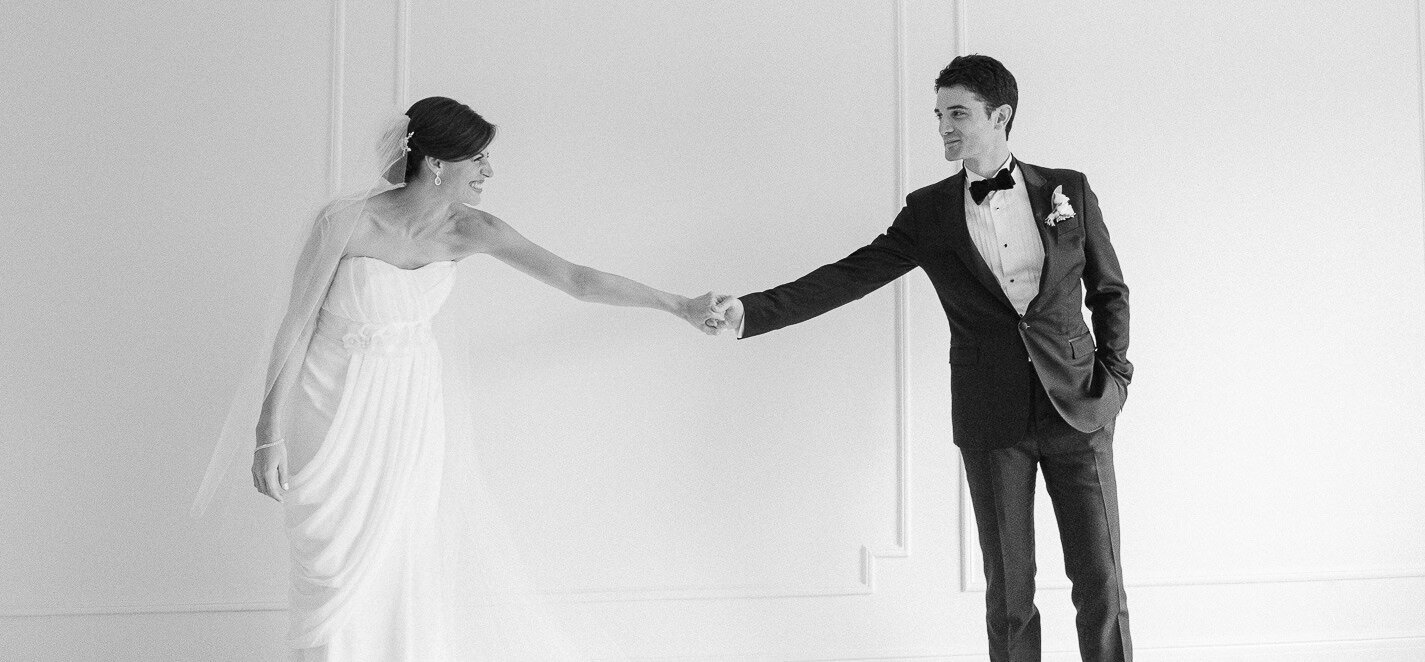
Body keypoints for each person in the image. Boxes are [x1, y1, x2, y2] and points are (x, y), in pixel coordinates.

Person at [240, 95, 722, 661]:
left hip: (407, 407)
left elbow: (576, 279)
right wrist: (267, 433)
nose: (489, 173)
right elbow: (295, 329)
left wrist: (680, 305)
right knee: (332, 559)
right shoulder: (346, 222)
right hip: (329, 399)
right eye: (479, 160)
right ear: (436, 164)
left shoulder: (475, 231)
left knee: (401, 555)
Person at [709, 55, 1133, 662]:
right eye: (939, 116)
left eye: (957, 114)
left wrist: (1115, 381)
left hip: (1081, 407)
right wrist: (753, 310)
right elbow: (851, 275)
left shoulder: (1069, 189)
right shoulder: (930, 212)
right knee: (1010, 594)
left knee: (1101, 584)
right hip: (992, 421)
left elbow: (1110, 291)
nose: (943, 128)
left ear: (1001, 116)